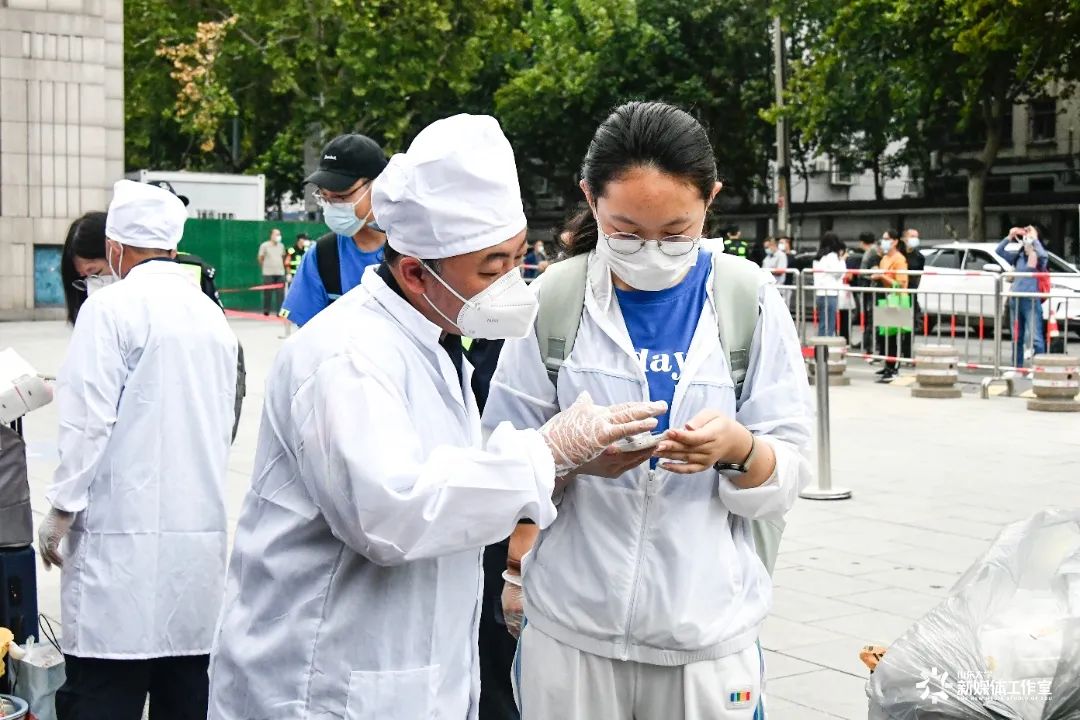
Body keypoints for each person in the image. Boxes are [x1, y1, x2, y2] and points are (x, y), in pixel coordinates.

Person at [205, 114, 665, 720]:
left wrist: (568, 467)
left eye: (517, 258)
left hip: (407, 676)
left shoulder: (431, 341)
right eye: (491, 268)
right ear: (416, 273)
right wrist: (545, 452)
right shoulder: (345, 356)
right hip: (322, 683)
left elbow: (451, 478)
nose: (511, 283)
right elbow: (391, 512)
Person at [482, 101, 813, 720]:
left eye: (676, 233)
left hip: (705, 640)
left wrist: (740, 451)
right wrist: (566, 458)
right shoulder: (555, 300)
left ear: (710, 200)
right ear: (590, 199)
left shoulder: (748, 300)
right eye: (627, 232)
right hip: (572, 632)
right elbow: (495, 459)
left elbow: (789, 474)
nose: (652, 250)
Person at [38, 180, 239, 720]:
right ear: (173, 245)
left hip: (116, 553)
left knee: (105, 693)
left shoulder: (110, 310)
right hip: (193, 550)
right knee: (184, 692)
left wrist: (61, 508)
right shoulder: (209, 315)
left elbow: (86, 424)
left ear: (116, 249)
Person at [59, 207, 246, 441]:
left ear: (115, 251)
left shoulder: (189, 274)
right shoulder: (105, 308)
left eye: (95, 272)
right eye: (84, 279)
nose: (91, 285)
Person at [280, 134, 389, 327]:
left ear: (378, 185)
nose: (331, 206)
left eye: (340, 196)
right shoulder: (322, 255)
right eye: (324, 196)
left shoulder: (415, 251)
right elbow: (307, 340)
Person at [998, 224, 1049, 367]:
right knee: (1016, 337)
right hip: (1015, 299)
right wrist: (1010, 236)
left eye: (1029, 236)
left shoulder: (1039, 257)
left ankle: (1039, 368)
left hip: (1031, 300)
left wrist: (1034, 239)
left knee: (1036, 337)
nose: (1027, 239)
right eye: (1025, 236)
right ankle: (1017, 367)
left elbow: (1044, 255)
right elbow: (999, 251)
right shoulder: (1018, 257)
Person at [871, 230, 910, 383]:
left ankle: (893, 368)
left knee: (893, 337)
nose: (884, 241)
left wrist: (882, 276)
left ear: (895, 241)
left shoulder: (899, 259)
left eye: (887, 239)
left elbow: (901, 283)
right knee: (884, 335)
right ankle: (887, 364)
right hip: (886, 299)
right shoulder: (885, 258)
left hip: (897, 299)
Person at [812, 232, 847, 337]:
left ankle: (820, 348)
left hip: (820, 293)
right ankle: (826, 348)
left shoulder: (818, 257)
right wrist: (842, 260)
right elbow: (839, 273)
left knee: (823, 323)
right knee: (830, 324)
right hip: (830, 293)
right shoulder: (832, 256)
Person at [856, 231, 880, 350]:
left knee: (870, 316)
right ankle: (867, 341)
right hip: (868, 287)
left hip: (870, 287)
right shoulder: (872, 251)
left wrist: (864, 275)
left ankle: (869, 343)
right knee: (868, 316)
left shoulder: (872, 251)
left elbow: (866, 270)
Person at [257, 228, 287, 315]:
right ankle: (266, 311)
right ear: (271, 235)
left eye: (279, 234)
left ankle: (280, 312)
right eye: (276, 234)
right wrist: (265, 267)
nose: (278, 236)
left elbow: (283, 257)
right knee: (267, 294)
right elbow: (260, 258)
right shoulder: (264, 245)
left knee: (280, 294)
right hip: (268, 273)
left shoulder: (281, 246)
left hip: (280, 273)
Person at [902, 228, 925, 333]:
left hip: (910, 291)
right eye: (912, 236)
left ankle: (907, 346)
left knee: (909, 323)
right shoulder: (898, 254)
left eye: (916, 237)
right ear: (905, 238)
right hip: (897, 290)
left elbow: (919, 276)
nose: (915, 239)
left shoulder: (919, 257)